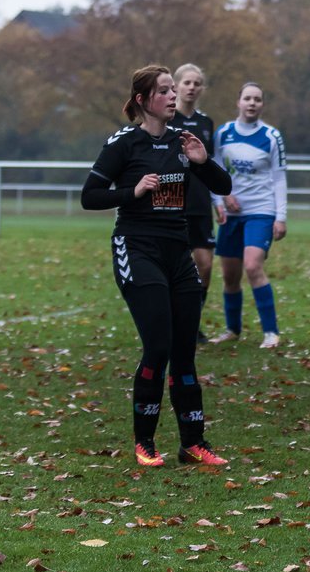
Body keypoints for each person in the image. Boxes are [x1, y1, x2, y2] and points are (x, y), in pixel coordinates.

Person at [80, 64, 232, 468]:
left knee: (184, 351)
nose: (171, 97)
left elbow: (224, 187)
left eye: (172, 90)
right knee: (159, 346)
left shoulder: (186, 142)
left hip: (177, 252)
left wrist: (201, 161)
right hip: (136, 249)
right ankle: (144, 442)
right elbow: (89, 196)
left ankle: (193, 443)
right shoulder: (123, 143)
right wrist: (133, 191)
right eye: (164, 91)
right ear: (145, 101)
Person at [209, 82, 288, 349]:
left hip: (261, 211)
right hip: (231, 215)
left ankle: (271, 332)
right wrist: (221, 198)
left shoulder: (271, 136)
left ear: (262, 104)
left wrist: (281, 216)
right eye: (247, 98)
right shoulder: (223, 133)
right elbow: (215, 170)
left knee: (253, 266)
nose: (252, 103)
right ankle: (232, 329)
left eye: (257, 99)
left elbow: (279, 178)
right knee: (230, 276)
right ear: (238, 102)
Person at [170, 63, 216, 344]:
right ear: (176, 85)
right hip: (173, 204)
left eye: (197, 83)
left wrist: (219, 200)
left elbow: (211, 166)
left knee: (205, 266)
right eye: (187, 82)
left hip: (200, 205)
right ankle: (173, 323)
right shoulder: (165, 119)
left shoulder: (206, 123)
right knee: (175, 268)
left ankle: (192, 323)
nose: (192, 87)